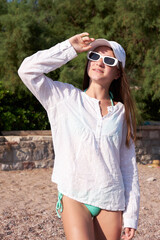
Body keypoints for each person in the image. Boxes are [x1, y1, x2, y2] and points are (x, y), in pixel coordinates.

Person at [18, 32, 140, 240]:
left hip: (111, 197)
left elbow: (128, 166)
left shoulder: (121, 112)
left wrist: (131, 216)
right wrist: (69, 48)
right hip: (74, 193)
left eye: (108, 60)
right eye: (94, 56)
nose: (99, 63)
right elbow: (27, 71)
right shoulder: (63, 97)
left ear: (118, 73)